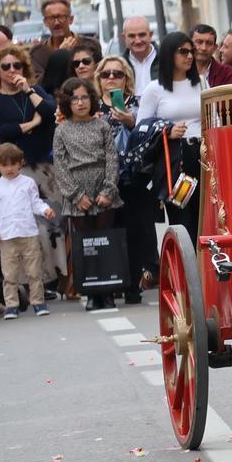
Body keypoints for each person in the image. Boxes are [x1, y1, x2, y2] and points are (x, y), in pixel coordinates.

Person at [0, 44, 62, 295]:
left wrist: (29, 90)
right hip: (13, 172)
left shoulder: (34, 91)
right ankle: (32, 282)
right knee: (26, 228)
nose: (12, 70)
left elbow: (52, 112)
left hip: (44, 167)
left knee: (52, 224)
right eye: (6, 66)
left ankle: (55, 279)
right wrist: (31, 124)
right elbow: (1, 131)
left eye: (17, 65)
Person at [52, 77, 123, 310]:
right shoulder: (62, 131)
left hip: (102, 188)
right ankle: (92, 293)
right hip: (78, 192)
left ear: (91, 99)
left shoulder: (102, 126)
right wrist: (75, 195)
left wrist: (108, 190)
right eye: (74, 98)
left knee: (106, 241)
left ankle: (109, 290)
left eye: (84, 97)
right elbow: (60, 166)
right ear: (67, 103)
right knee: (86, 244)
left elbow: (112, 158)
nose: (80, 102)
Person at [96, 56, 156, 301]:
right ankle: (110, 284)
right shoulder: (91, 106)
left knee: (135, 231)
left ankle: (133, 285)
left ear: (127, 79)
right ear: (98, 79)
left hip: (134, 176)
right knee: (109, 231)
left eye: (117, 74)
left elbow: (150, 133)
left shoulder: (140, 103)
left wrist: (131, 120)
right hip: (102, 178)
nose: (111, 78)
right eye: (106, 74)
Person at [138, 33, 203, 238]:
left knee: (205, 214)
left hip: (203, 154)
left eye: (191, 51)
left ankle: (211, 265)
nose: (190, 56)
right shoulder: (154, 89)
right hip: (174, 159)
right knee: (182, 219)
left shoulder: (201, 82)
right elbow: (141, 129)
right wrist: (167, 130)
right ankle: (188, 267)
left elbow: (214, 118)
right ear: (168, 55)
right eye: (183, 51)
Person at [0, 142, 56, 319]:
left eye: (13, 164)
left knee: (34, 271)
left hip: (28, 233)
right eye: (4, 165)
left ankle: (38, 302)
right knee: (9, 273)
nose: (9, 168)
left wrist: (45, 210)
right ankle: (11, 305)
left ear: (21, 163)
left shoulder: (28, 183)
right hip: (6, 235)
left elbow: (35, 202)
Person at [29, 0, 78, 77]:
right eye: (51, 18)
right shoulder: (38, 54)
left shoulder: (88, 45)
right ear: (45, 22)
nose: (56, 23)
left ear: (70, 19)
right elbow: (41, 84)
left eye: (61, 17)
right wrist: (60, 55)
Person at [121, 16, 158, 93]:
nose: (137, 41)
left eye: (142, 35)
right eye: (132, 36)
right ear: (124, 38)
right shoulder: (119, 65)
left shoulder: (167, 59)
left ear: (150, 35)